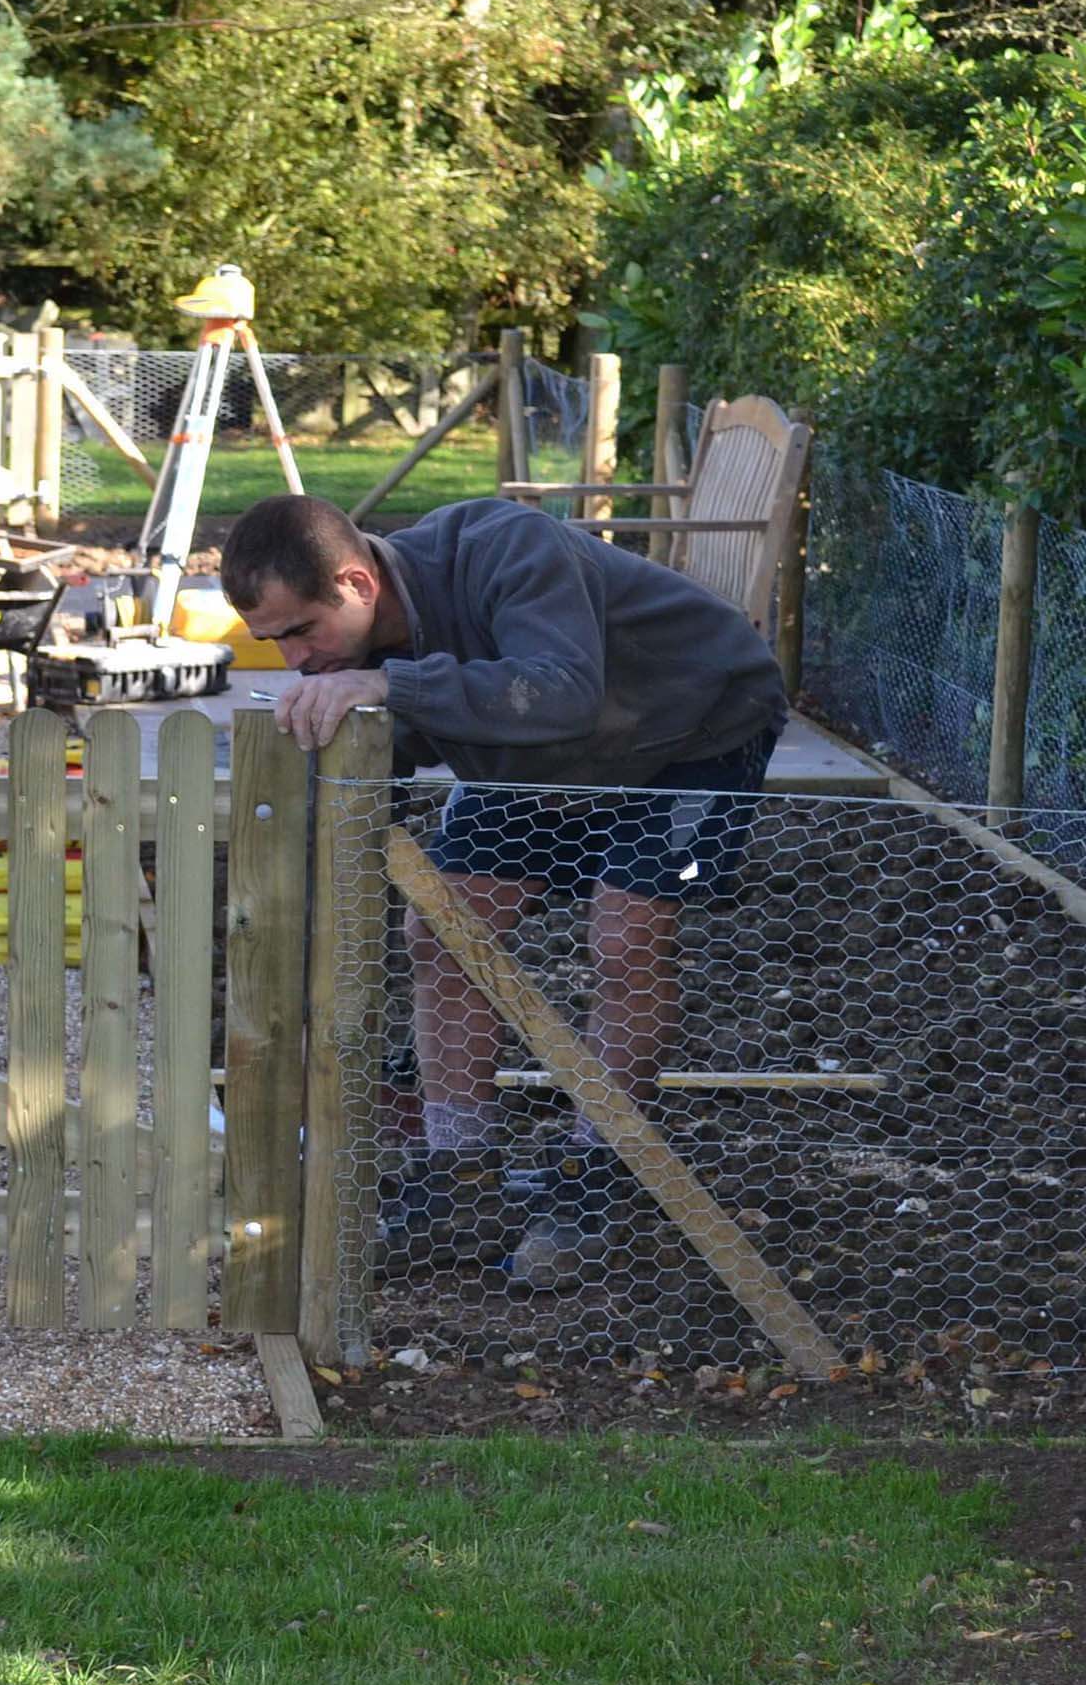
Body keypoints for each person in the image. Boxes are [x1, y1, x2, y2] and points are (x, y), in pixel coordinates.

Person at [219, 491, 787, 1289]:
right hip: (533, 758)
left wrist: (391, 690)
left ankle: (596, 1180)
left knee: (625, 938)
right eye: (271, 642)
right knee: (442, 936)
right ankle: (462, 1177)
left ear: (357, 582)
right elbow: (399, 750)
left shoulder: (507, 548)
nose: (296, 660)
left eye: (303, 630)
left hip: (690, 735)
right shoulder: (352, 649)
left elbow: (559, 690)